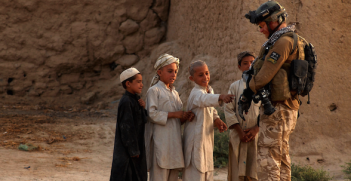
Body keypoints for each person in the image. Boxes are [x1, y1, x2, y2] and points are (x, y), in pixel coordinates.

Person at [239, 1, 308, 180]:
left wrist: (248, 92)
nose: (260, 30)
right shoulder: (292, 39)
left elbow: (264, 75)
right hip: (285, 109)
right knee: (281, 158)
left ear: (274, 21)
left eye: (262, 26)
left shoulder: (283, 42)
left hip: (278, 110)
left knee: (268, 159)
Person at [145, 54, 194, 181]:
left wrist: (185, 116)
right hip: (160, 142)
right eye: (170, 71)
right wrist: (175, 115)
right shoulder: (154, 91)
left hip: (174, 143)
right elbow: (151, 114)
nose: (173, 74)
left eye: (176, 72)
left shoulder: (175, 93)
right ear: (159, 72)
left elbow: (179, 118)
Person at [182, 60, 234, 181]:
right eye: (200, 75)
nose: (205, 77)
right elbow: (204, 100)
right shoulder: (196, 93)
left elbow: (211, 110)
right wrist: (221, 96)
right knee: (195, 174)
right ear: (192, 78)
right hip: (195, 143)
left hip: (206, 141)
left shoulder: (209, 90)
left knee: (207, 172)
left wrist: (217, 120)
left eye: (207, 73)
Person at [224, 51, 261, 181]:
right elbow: (229, 110)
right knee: (236, 173)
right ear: (239, 67)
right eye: (245, 63)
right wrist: (240, 133)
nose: (249, 66)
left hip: (256, 137)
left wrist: (256, 129)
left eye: (252, 62)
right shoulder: (234, 87)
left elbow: (266, 112)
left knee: (254, 172)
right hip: (237, 136)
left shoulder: (261, 86)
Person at [110, 67, 147, 181]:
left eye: (141, 82)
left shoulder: (136, 99)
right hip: (128, 152)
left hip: (136, 148)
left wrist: (143, 108)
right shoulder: (126, 101)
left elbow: (144, 119)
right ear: (128, 83)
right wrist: (133, 150)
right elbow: (127, 127)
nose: (141, 85)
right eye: (138, 82)